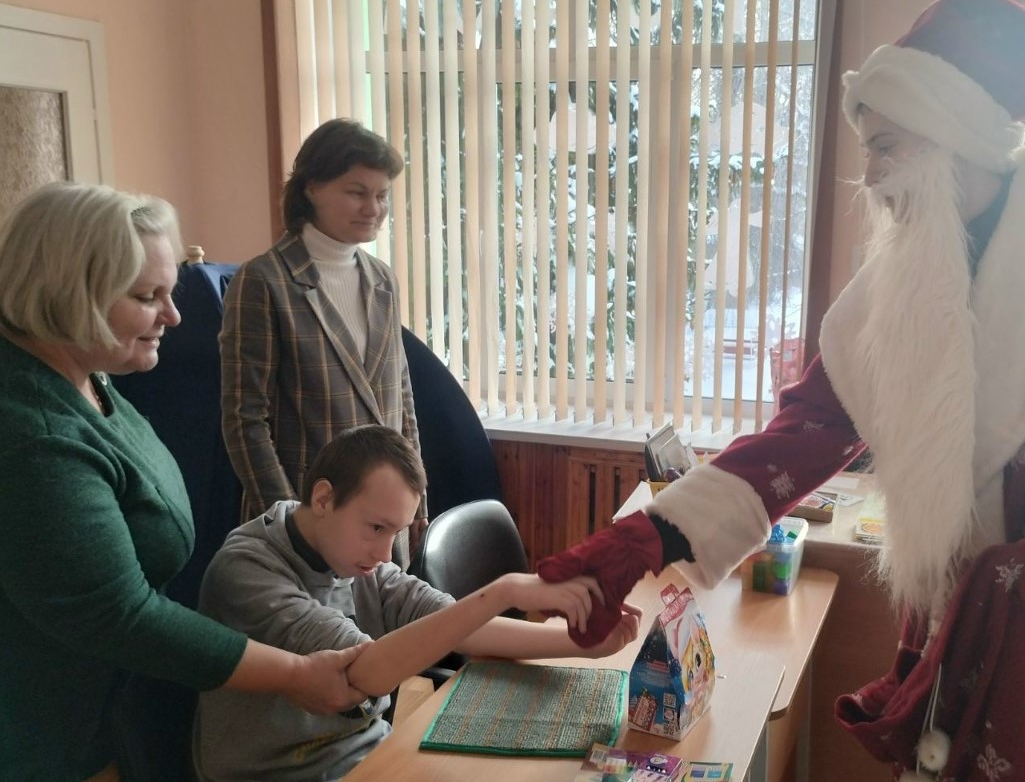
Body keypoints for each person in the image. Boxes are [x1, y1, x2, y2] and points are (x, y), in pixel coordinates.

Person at [538, 0, 1025, 780]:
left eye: (886, 147)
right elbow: (803, 434)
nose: (869, 176)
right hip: (959, 617)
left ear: (953, 134)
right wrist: (640, 540)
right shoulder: (908, 276)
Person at [0, 183, 370, 781]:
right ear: (71, 294)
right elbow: (121, 615)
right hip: (49, 741)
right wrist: (295, 674)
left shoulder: (86, 376)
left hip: (109, 714)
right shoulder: (34, 437)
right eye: (147, 296)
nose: (174, 315)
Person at [193, 425, 641, 782]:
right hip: (275, 773)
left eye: (397, 532)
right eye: (377, 528)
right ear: (324, 498)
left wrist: (582, 642)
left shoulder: (350, 555)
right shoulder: (247, 570)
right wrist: (505, 591)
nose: (385, 552)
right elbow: (359, 675)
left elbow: (462, 627)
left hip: (366, 753)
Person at [220, 118, 426, 568]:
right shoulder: (263, 280)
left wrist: (415, 496)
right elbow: (245, 420)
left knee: (388, 615)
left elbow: (401, 396)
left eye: (382, 195)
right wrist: (289, 523)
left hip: (384, 519)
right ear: (312, 187)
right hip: (308, 523)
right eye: (357, 192)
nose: (373, 208)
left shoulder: (381, 279)